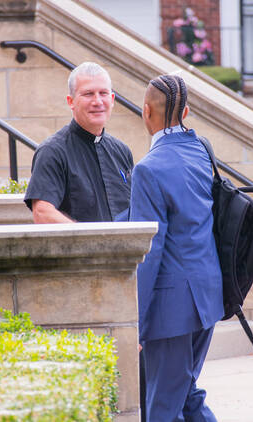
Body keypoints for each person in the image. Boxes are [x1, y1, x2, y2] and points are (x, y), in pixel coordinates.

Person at [130, 74, 222, 421]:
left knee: (162, 409)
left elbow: (149, 252)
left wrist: (136, 322)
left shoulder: (148, 169)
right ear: (186, 111)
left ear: (146, 111)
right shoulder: (201, 149)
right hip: (207, 297)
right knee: (187, 396)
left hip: (171, 310)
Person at [24, 62, 133, 223]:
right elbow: (42, 212)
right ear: (71, 101)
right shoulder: (52, 152)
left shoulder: (122, 151)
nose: (97, 101)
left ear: (112, 99)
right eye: (88, 94)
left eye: (103, 93)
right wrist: (90, 239)